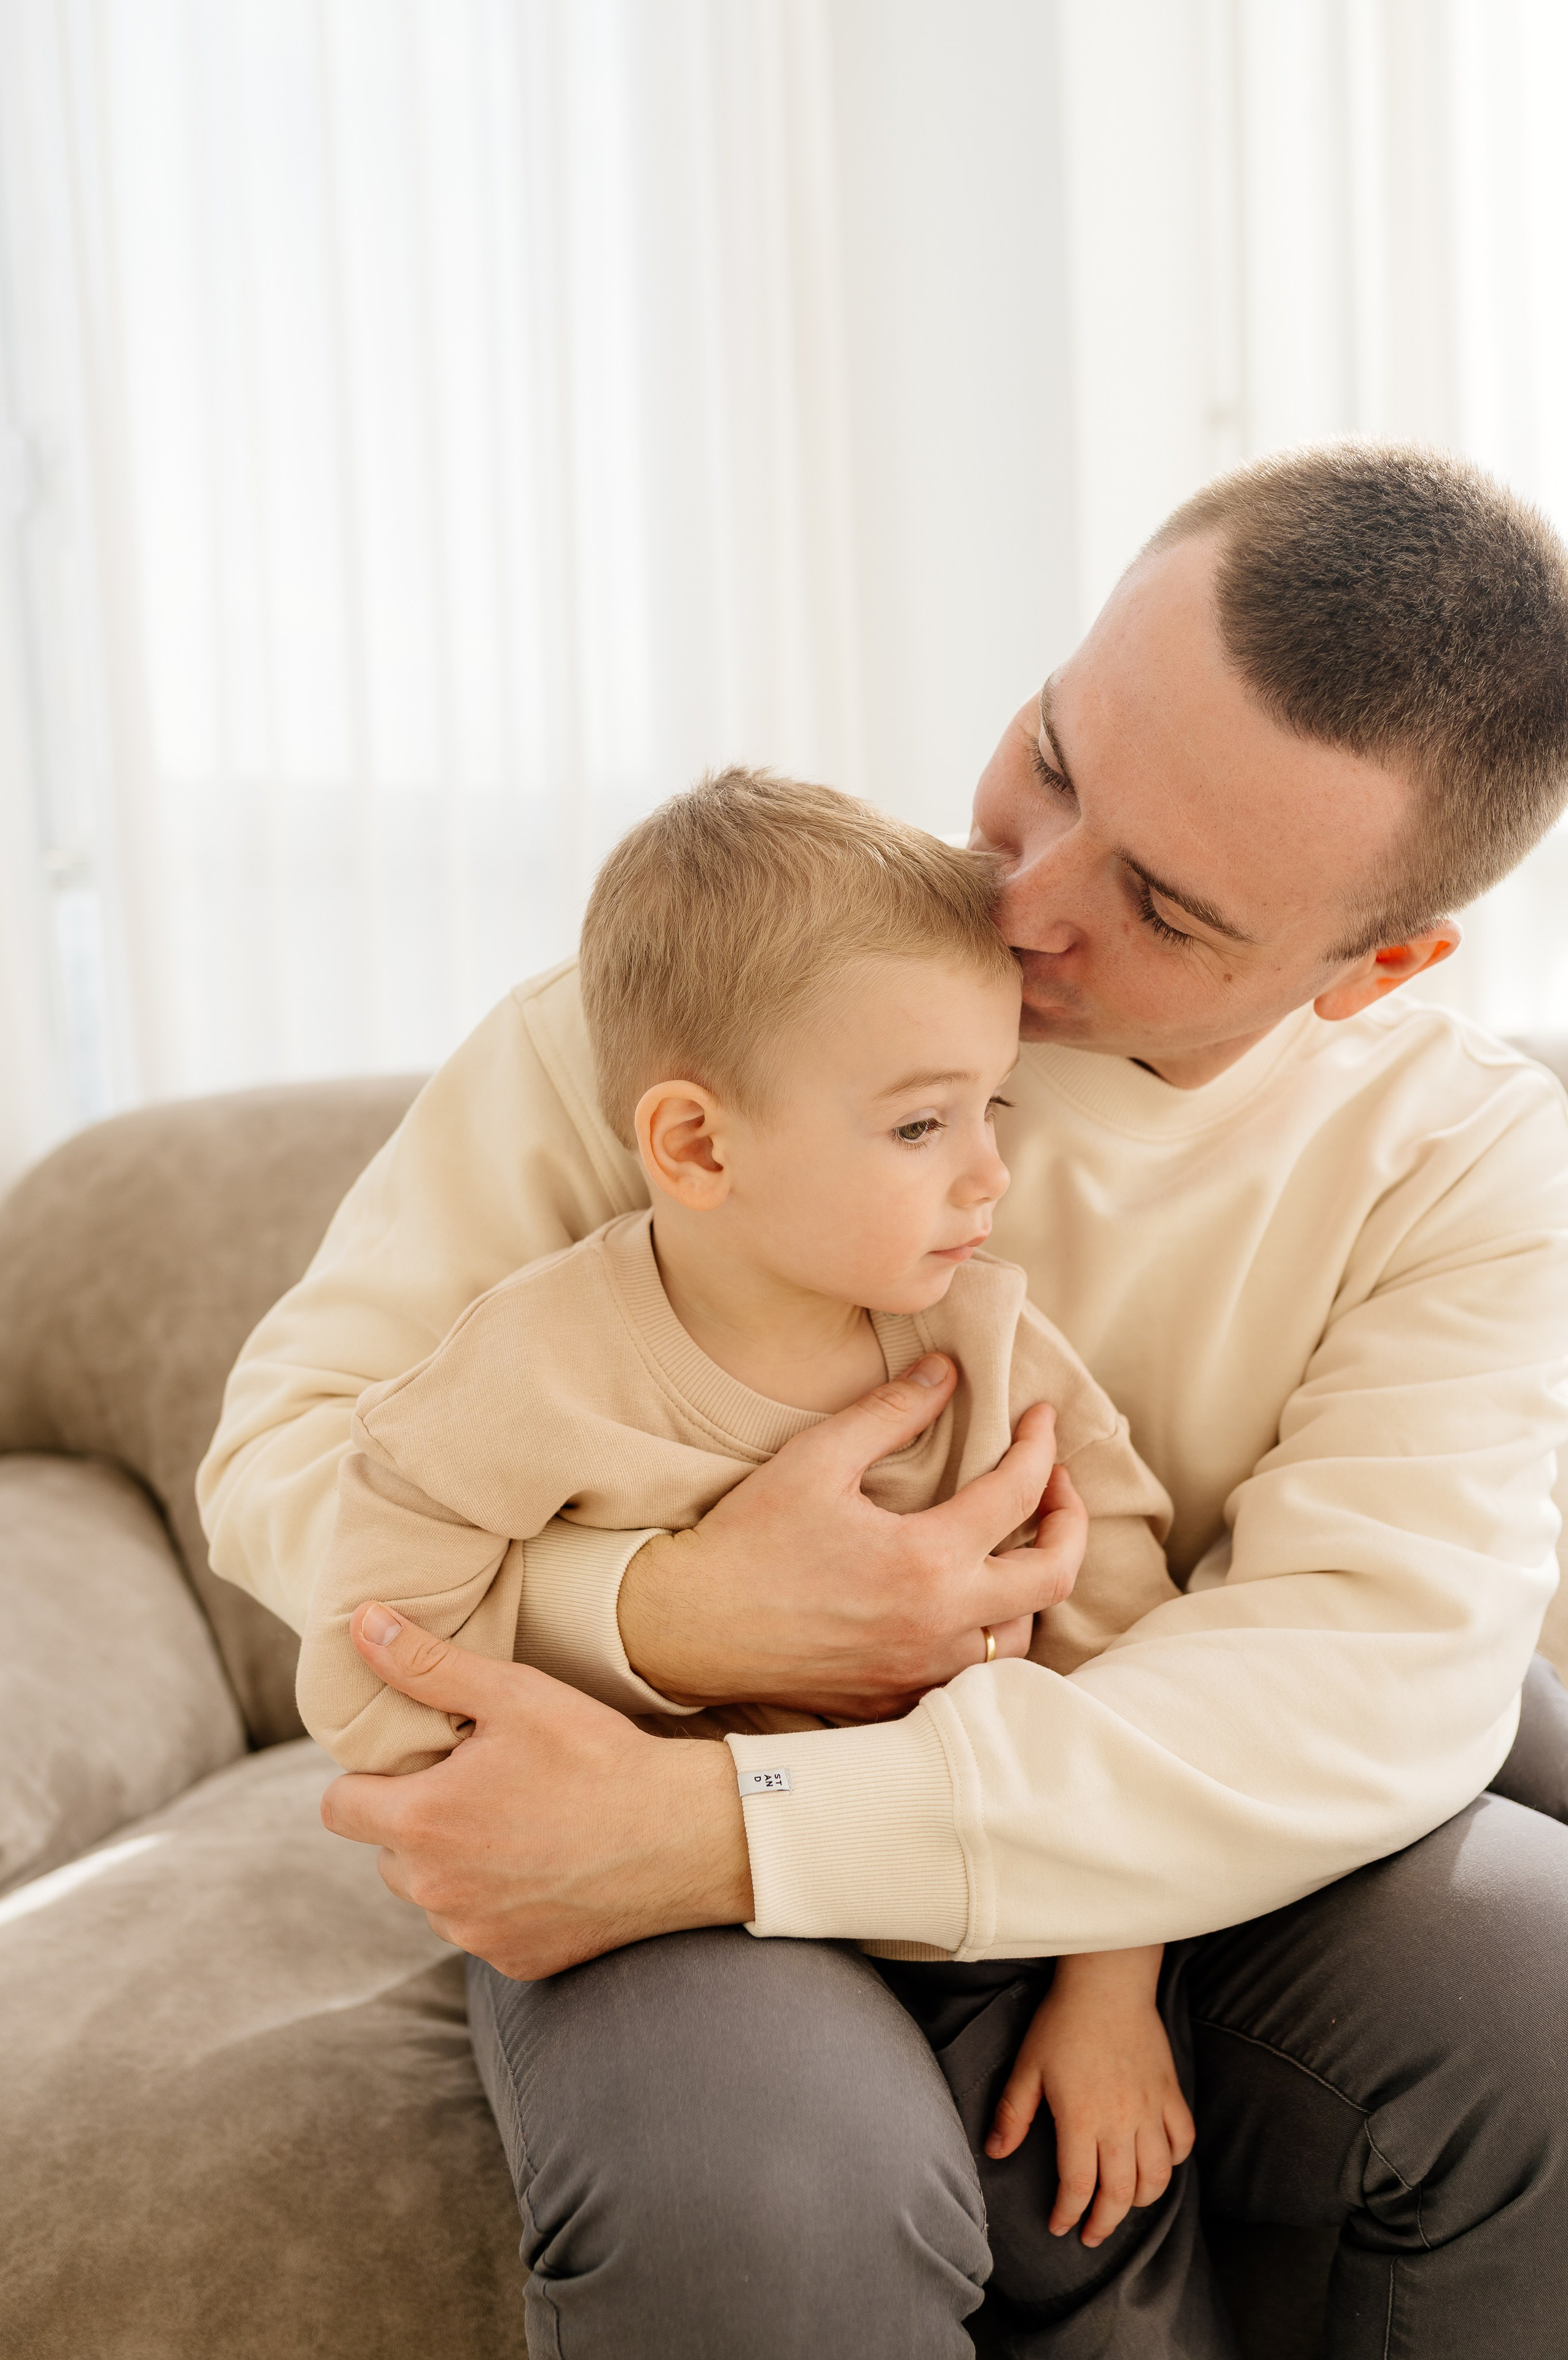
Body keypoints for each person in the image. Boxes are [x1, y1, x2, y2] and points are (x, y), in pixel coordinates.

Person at [198, 442, 1568, 2355]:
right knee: (751, 2186)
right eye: (1055, 758)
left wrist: (737, 1822)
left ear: (1381, 966)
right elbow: (291, 1464)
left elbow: (1368, 1676)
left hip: (1140, 1857)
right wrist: (663, 1616)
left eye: (1163, 905)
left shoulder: (1463, 1163)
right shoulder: (704, 1011)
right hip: (670, 1797)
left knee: (1541, 1964)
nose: (1022, 892)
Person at [297, 769, 1191, 2241]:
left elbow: (1135, 1674)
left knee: (1087, 2235)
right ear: (698, 1147)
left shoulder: (992, 1345)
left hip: (994, 1906)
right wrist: (534, 1795)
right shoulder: (526, 1368)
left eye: (990, 1107)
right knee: (785, 2177)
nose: (991, 1172)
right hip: (663, 1918)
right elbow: (373, 1654)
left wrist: (1111, 1991)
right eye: (920, 1126)